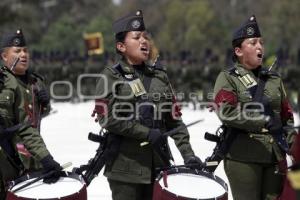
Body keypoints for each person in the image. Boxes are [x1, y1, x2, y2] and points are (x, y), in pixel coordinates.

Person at [92, 10, 202, 200]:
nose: (144, 41)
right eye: (136, 37)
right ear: (121, 46)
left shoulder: (160, 77)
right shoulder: (110, 76)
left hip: (159, 166)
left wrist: (188, 154)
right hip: (125, 169)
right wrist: (146, 133)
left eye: (145, 37)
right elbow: (107, 118)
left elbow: (175, 121)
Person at [213, 15, 296, 200]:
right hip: (243, 157)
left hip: (275, 157)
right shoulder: (228, 78)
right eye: (252, 43)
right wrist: (262, 121)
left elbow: (286, 117)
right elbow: (226, 112)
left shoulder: (274, 80)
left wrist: (293, 145)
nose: (259, 46)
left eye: (261, 42)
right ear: (239, 51)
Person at [0, 29, 60, 199]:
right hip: (7, 160)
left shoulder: (35, 81)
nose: (24, 54)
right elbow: (21, 127)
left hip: (30, 157)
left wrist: (45, 103)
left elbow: (37, 116)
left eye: (25, 50)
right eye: (17, 51)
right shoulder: (3, 83)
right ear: (5, 57)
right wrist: (46, 158)